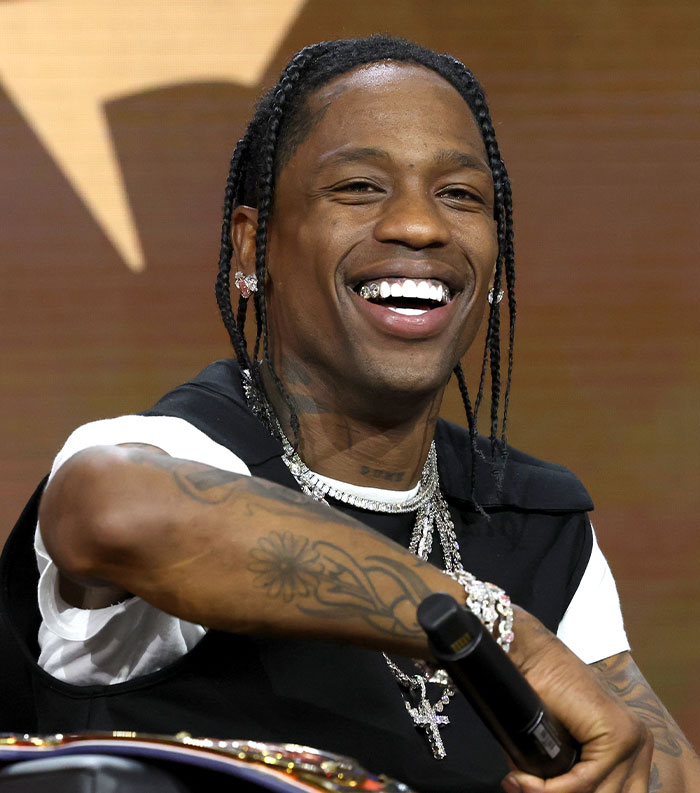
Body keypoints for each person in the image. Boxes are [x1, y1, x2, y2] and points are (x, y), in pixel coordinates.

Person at [3, 35, 698, 793]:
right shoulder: (177, 451)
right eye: (360, 187)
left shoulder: (536, 523)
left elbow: (663, 768)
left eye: (461, 195)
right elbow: (114, 513)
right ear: (250, 247)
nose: (420, 225)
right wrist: (493, 632)